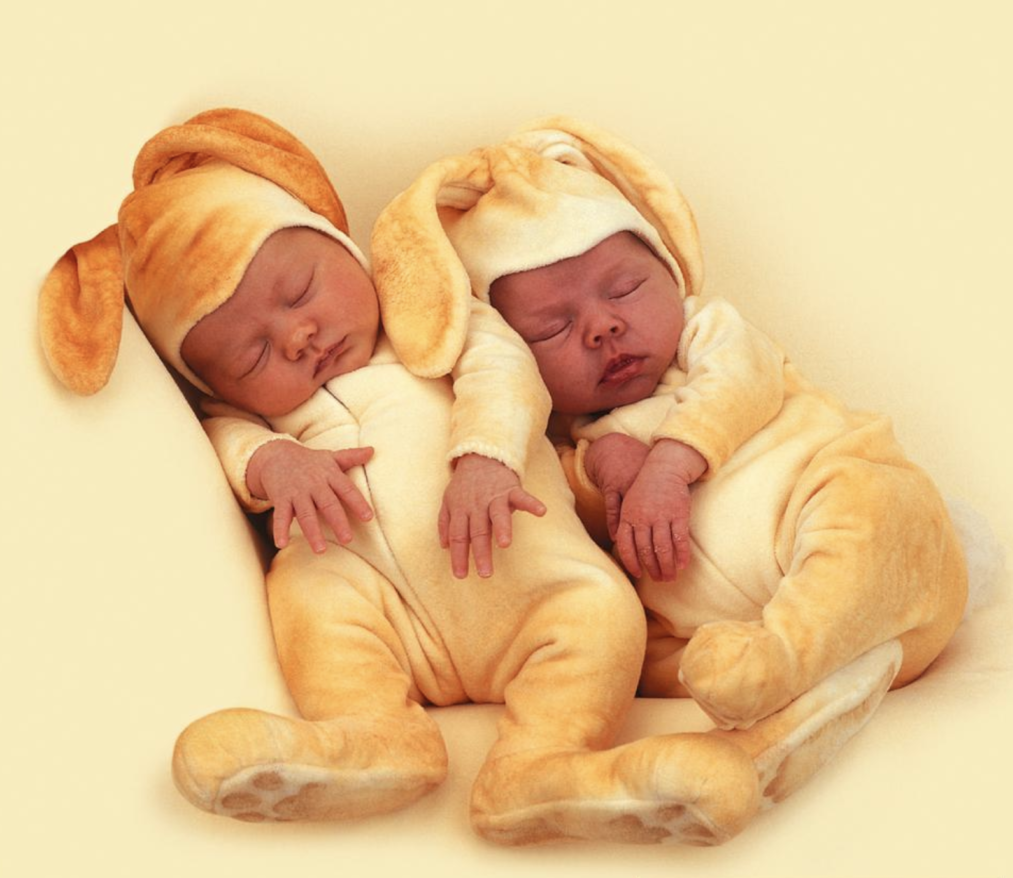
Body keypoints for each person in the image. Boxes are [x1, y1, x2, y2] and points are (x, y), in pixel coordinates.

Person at [38, 107, 898, 845]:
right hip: (377, 602)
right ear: (210, 383)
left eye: (301, 290)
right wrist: (274, 458)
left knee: (600, 614)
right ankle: (374, 738)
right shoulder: (255, 419)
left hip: (521, 582)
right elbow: (227, 443)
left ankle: (536, 769)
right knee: (311, 592)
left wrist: (484, 459)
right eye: (250, 352)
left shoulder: (432, 331)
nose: (296, 337)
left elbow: (504, 371)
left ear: (342, 246)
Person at [369, 115, 968, 733]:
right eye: (553, 328)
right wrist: (601, 467)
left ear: (670, 272)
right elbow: (574, 524)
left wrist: (669, 465)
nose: (602, 327)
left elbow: (740, 384)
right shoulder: (565, 442)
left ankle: (787, 660)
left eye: (625, 288)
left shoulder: (708, 333)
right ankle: (782, 692)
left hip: (863, 552)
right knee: (626, 637)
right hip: (718, 638)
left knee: (873, 503)